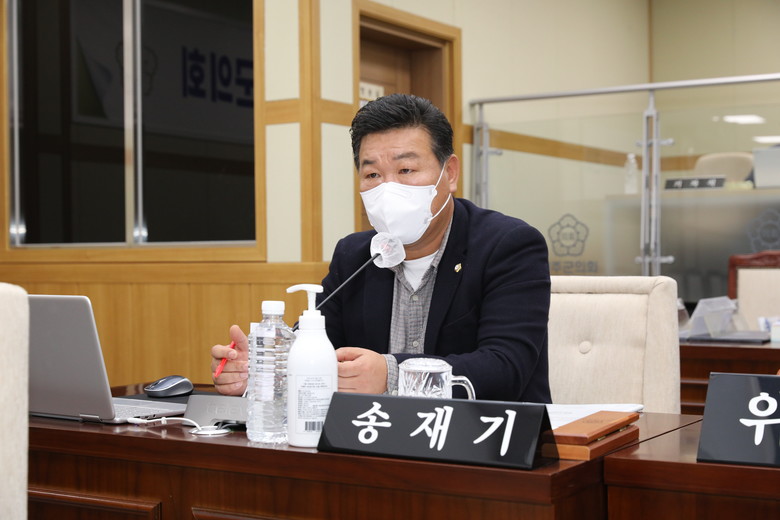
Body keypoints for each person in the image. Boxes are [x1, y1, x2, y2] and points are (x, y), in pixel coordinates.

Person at [211, 93, 551, 402]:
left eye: (406, 169)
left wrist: (392, 374)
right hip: (374, 439)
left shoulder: (509, 245)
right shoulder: (354, 255)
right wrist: (261, 370)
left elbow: (506, 368)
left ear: (449, 173)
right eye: (372, 175)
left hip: (485, 439)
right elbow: (314, 347)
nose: (388, 188)